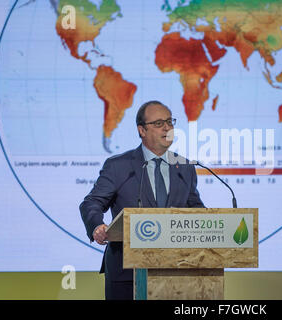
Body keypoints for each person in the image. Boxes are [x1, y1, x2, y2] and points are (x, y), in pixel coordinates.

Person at [79, 100, 205, 300]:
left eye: (170, 122)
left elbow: (196, 209)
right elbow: (92, 202)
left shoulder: (185, 167)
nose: (167, 127)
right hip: (128, 271)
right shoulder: (119, 166)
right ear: (142, 130)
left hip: (176, 270)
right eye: (158, 123)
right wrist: (97, 227)